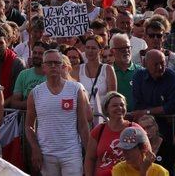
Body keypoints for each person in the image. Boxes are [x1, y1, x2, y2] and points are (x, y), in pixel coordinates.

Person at [25, 48, 91, 176]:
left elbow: (83, 125)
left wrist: (89, 153)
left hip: (71, 153)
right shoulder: (35, 93)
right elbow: (28, 126)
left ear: (62, 65)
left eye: (56, 62)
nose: (53, 66)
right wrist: (35, 148)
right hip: (46, 154)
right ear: (43, 67)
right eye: (49, 63)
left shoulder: (76, 89)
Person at [86, 91, 135, 176]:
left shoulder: (135, 129)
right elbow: (90, 159)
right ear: (106, 109)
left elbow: (146, 156)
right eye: (115, 105)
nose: (119, 108)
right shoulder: (98, 130)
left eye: (122, 105)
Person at [80, 36, 117, 121]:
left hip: (103, 117)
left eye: (93, 48)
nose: (90, 51)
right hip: (84, 118)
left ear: (101, 50)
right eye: (87, 47)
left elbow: (112, 97)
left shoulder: (107, 69)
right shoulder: (78, 69)